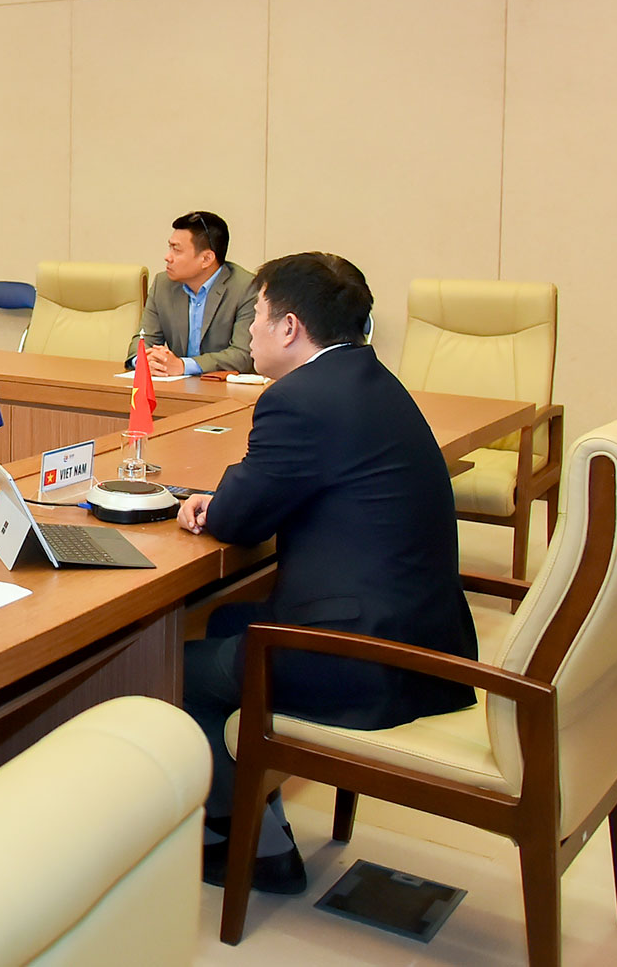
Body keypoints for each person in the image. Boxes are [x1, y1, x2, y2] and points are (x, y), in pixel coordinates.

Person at [177, 252, 477, 895]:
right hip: (423, 638)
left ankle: (246, 849)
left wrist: (216, 502)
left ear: (289, 327)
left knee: (172, 671)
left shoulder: (298, 400)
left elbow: (241, 520)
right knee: (227, 619)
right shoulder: (373, 379)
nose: (249, 330)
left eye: (256, 315)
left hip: (359, 657)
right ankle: (262, 822)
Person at [129, 210, 258, 376]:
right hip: (174, 386)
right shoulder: (163, 284)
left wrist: (184, 366)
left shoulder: (246, 288)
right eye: (169, 247)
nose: (167, 257)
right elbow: (143, 339)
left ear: (206, 259)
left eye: (176, 250)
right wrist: (145, 361)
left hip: (223, 387)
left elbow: (242, 355)